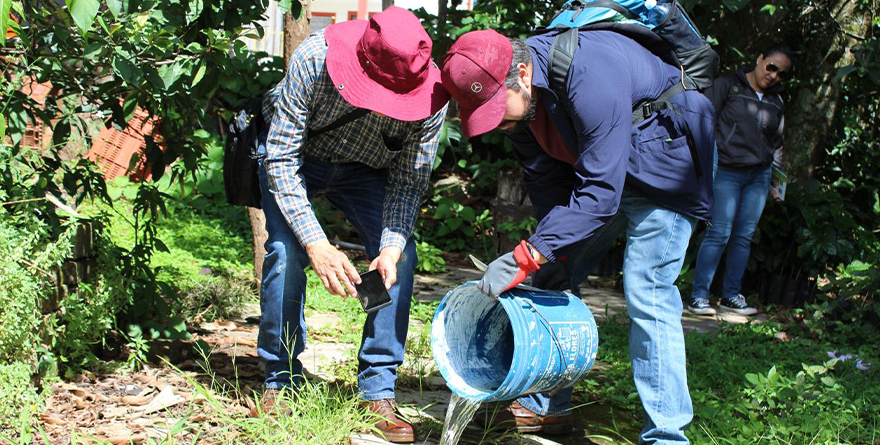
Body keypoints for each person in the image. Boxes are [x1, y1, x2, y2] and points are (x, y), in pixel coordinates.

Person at [441, 29, 715, 444]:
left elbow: (602, 194)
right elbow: (547, 179)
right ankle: (546, 407)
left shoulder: (589, 72)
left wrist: (525, 255)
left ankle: (666, 435)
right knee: (553, 273)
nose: (498, 121)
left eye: (499, 109)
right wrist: (546, 251)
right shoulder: (522, 105)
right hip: (600, 174)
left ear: (522, 72)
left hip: (664, 168)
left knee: (648, 290)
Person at [253, 7, 449, 443]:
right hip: (300, 157)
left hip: (367, 171)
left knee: (401, 256)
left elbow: (409, 179)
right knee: (286, 254)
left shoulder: (434, 95)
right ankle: (280, 381)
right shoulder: (312, 60)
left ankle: (377, 389)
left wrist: (392, 245)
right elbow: (280, 159)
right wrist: (316, 243)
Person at [687, 43, 793, 317]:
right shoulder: (728, 86)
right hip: (726, 170)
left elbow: (777, 142)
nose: (774, 75)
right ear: (760, 58)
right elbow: (703, 120)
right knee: (718, 233)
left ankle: (732, 295)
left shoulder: (776, 100)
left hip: (759, 176)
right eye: (771, 67)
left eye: (781, 73)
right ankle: (699, 295)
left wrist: (776, 179)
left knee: (744, 237)